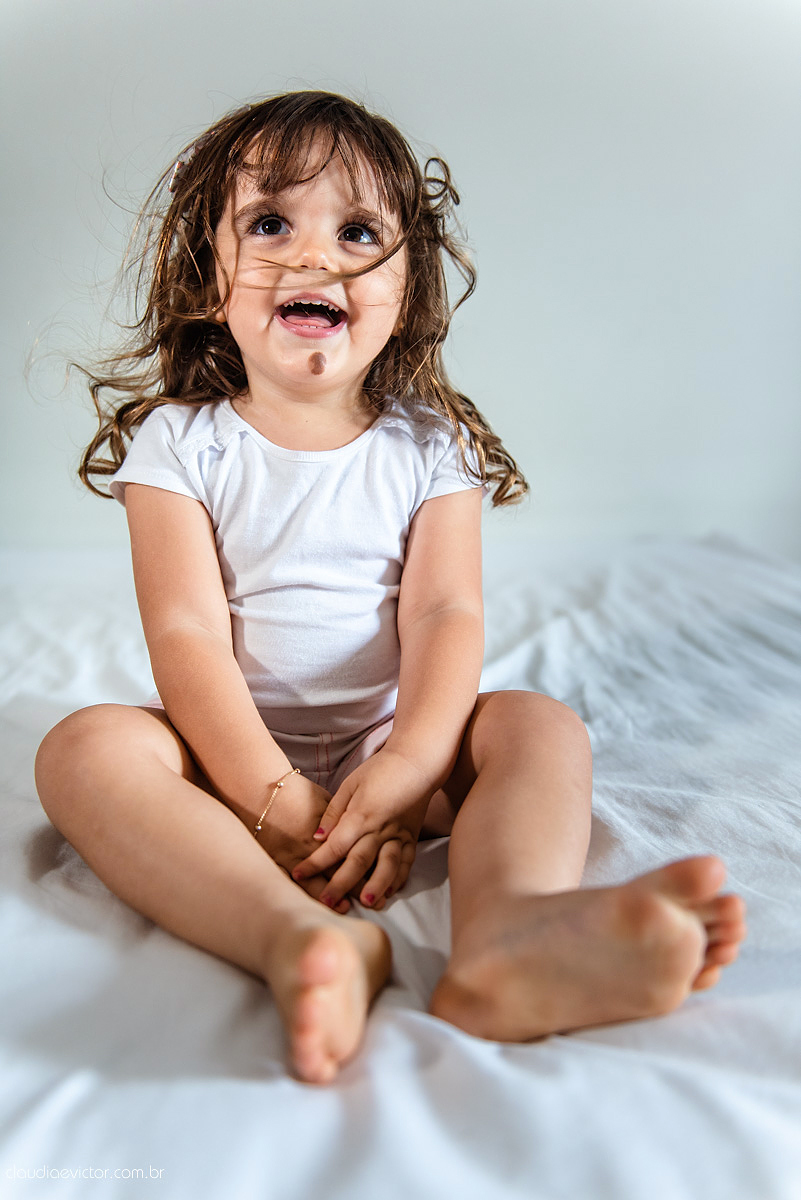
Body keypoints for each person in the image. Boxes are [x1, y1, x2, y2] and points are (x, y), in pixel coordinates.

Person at [35, 91, 746, 1086]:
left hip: (391, 747)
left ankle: (508, 937)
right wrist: (271, 798)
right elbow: (186, 632)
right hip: (228, 760)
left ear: (407, 292)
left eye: (358, 232)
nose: (312, 254)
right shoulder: (181, 444)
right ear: (209, 275)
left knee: (537, 726)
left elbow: (447, 613)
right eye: (269, 223)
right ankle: (299, 938)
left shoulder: (429, 445)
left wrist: (411, 768)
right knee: (83, 750)